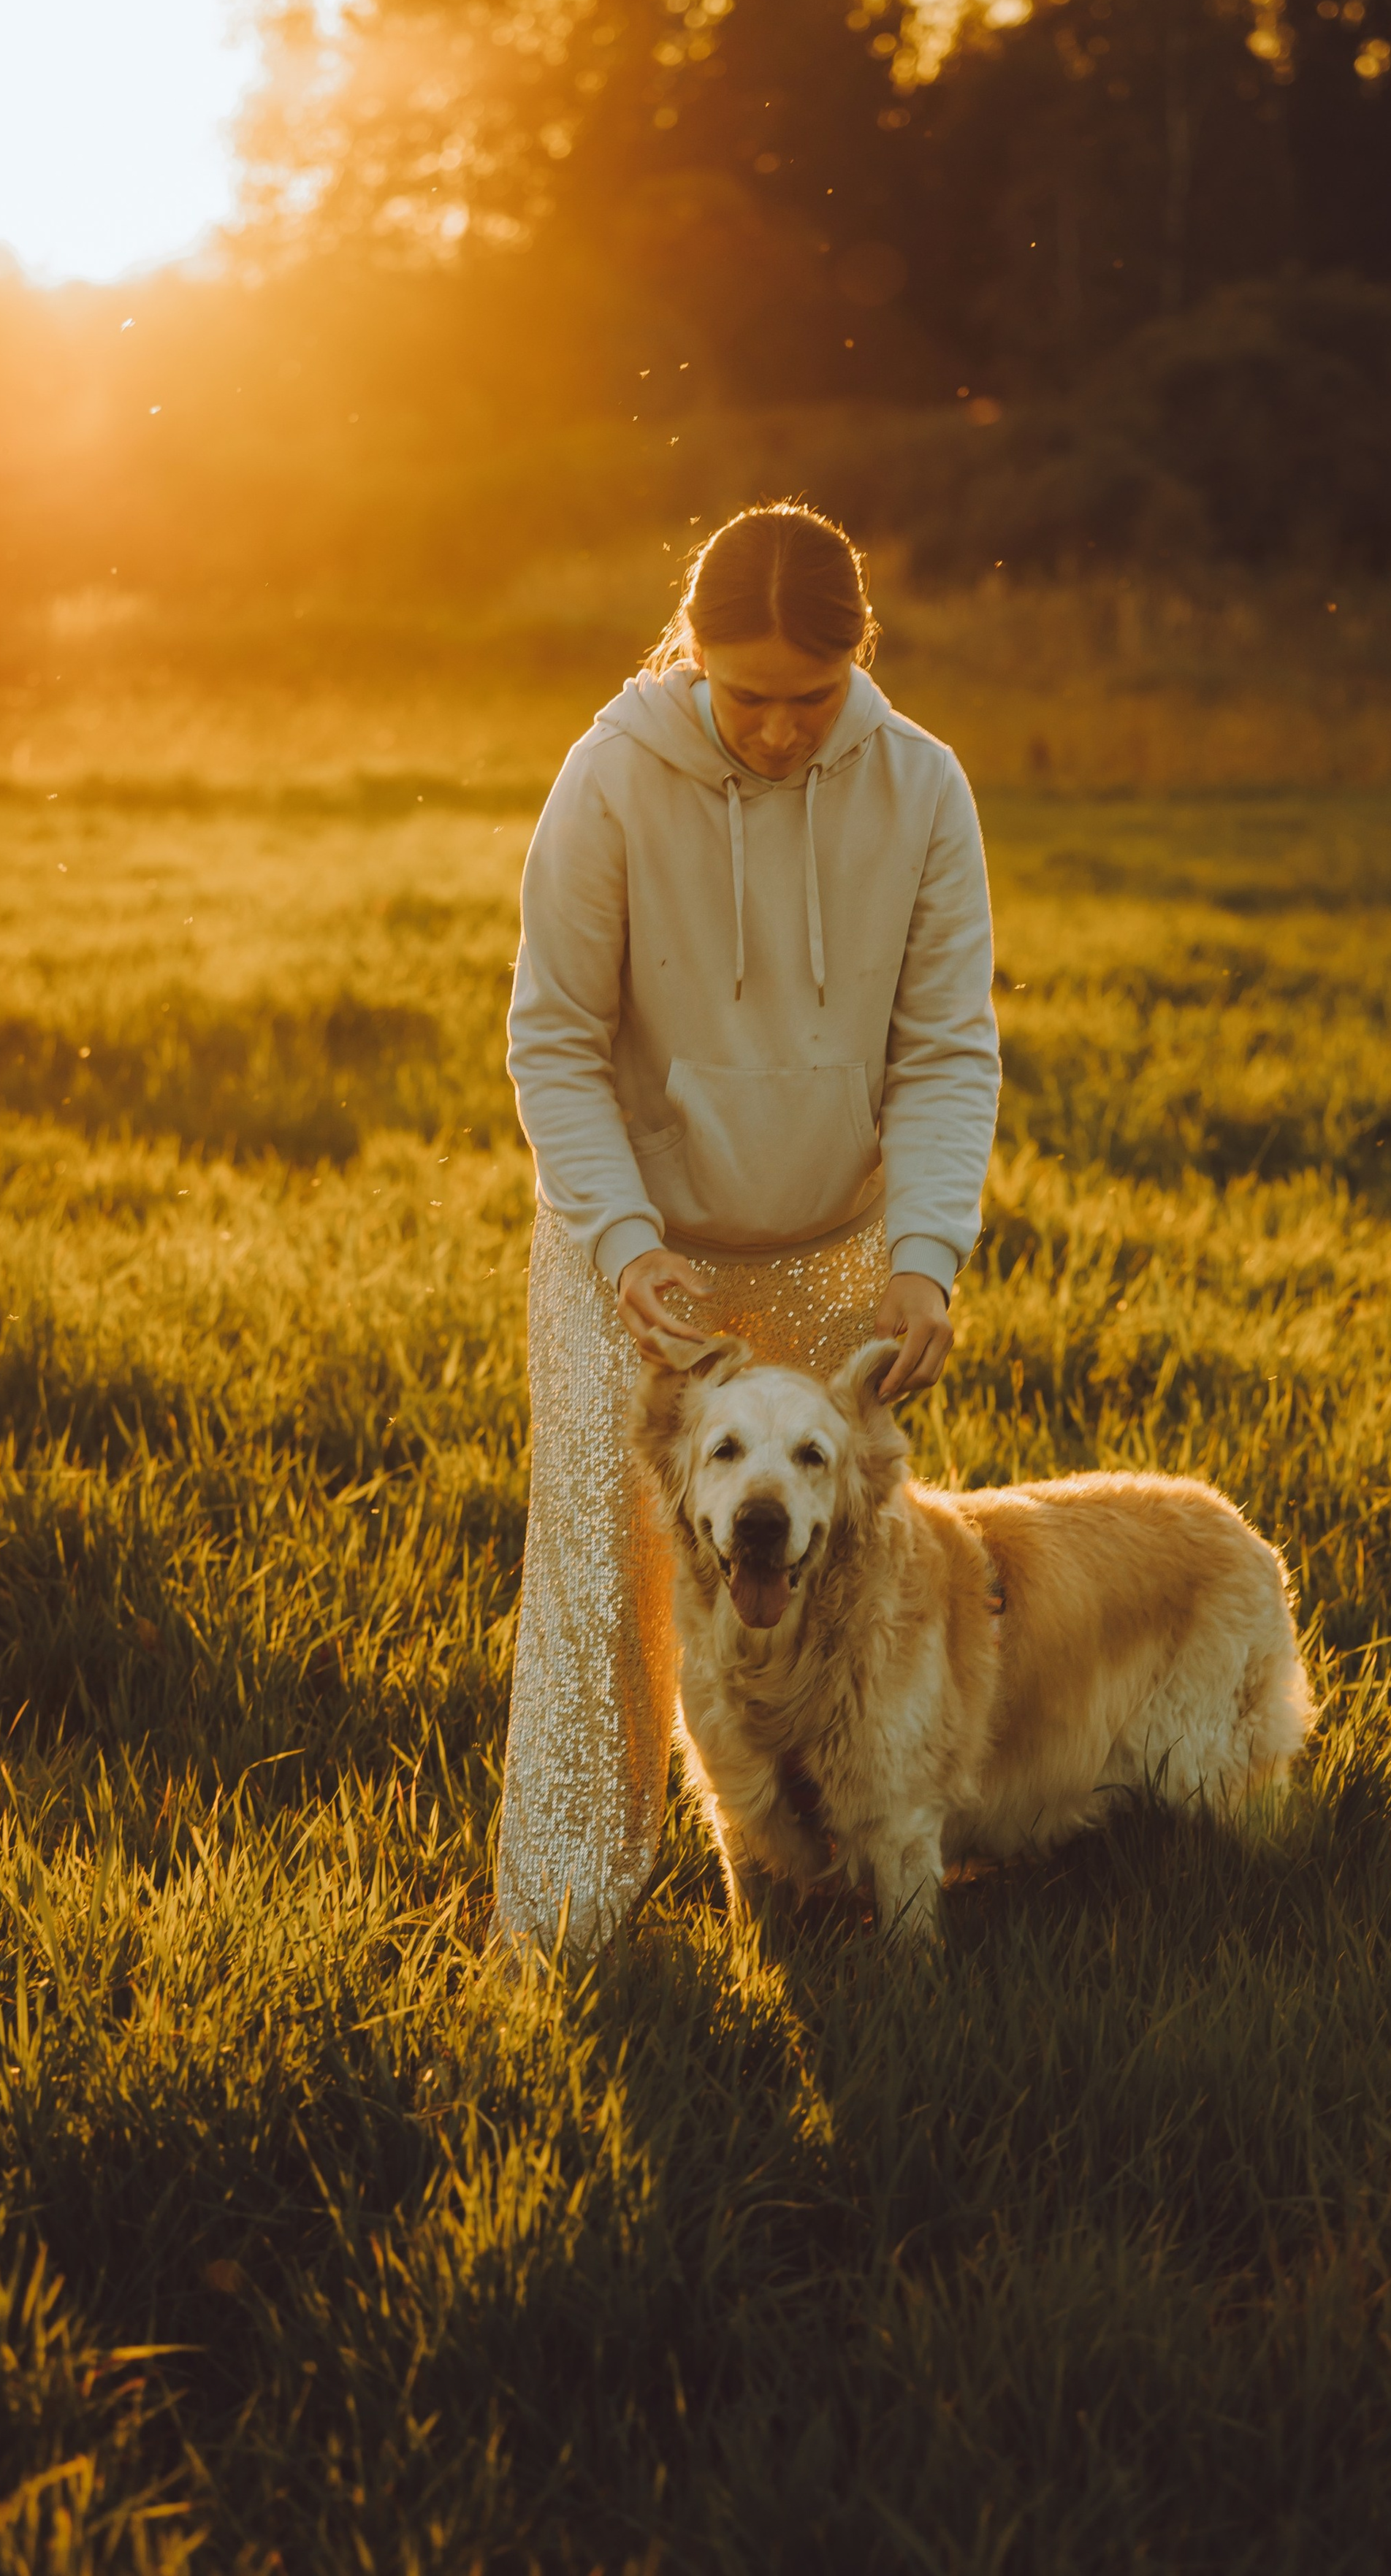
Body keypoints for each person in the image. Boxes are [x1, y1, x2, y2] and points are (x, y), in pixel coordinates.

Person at [498, 502, 1002, 1949]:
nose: (778, 731)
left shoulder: (923, 788)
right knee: (607, 1586)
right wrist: (623, 1237)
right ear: (694, 657)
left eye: (812, 698)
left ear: (860, 660)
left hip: (837, 1247)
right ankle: (570, 1928)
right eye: (746, 697)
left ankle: (825, 1885)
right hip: (634, 1261)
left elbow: (943, 1048)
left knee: (835, 1575)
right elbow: (554, 1039)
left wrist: (923, 1258)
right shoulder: (610, 779)